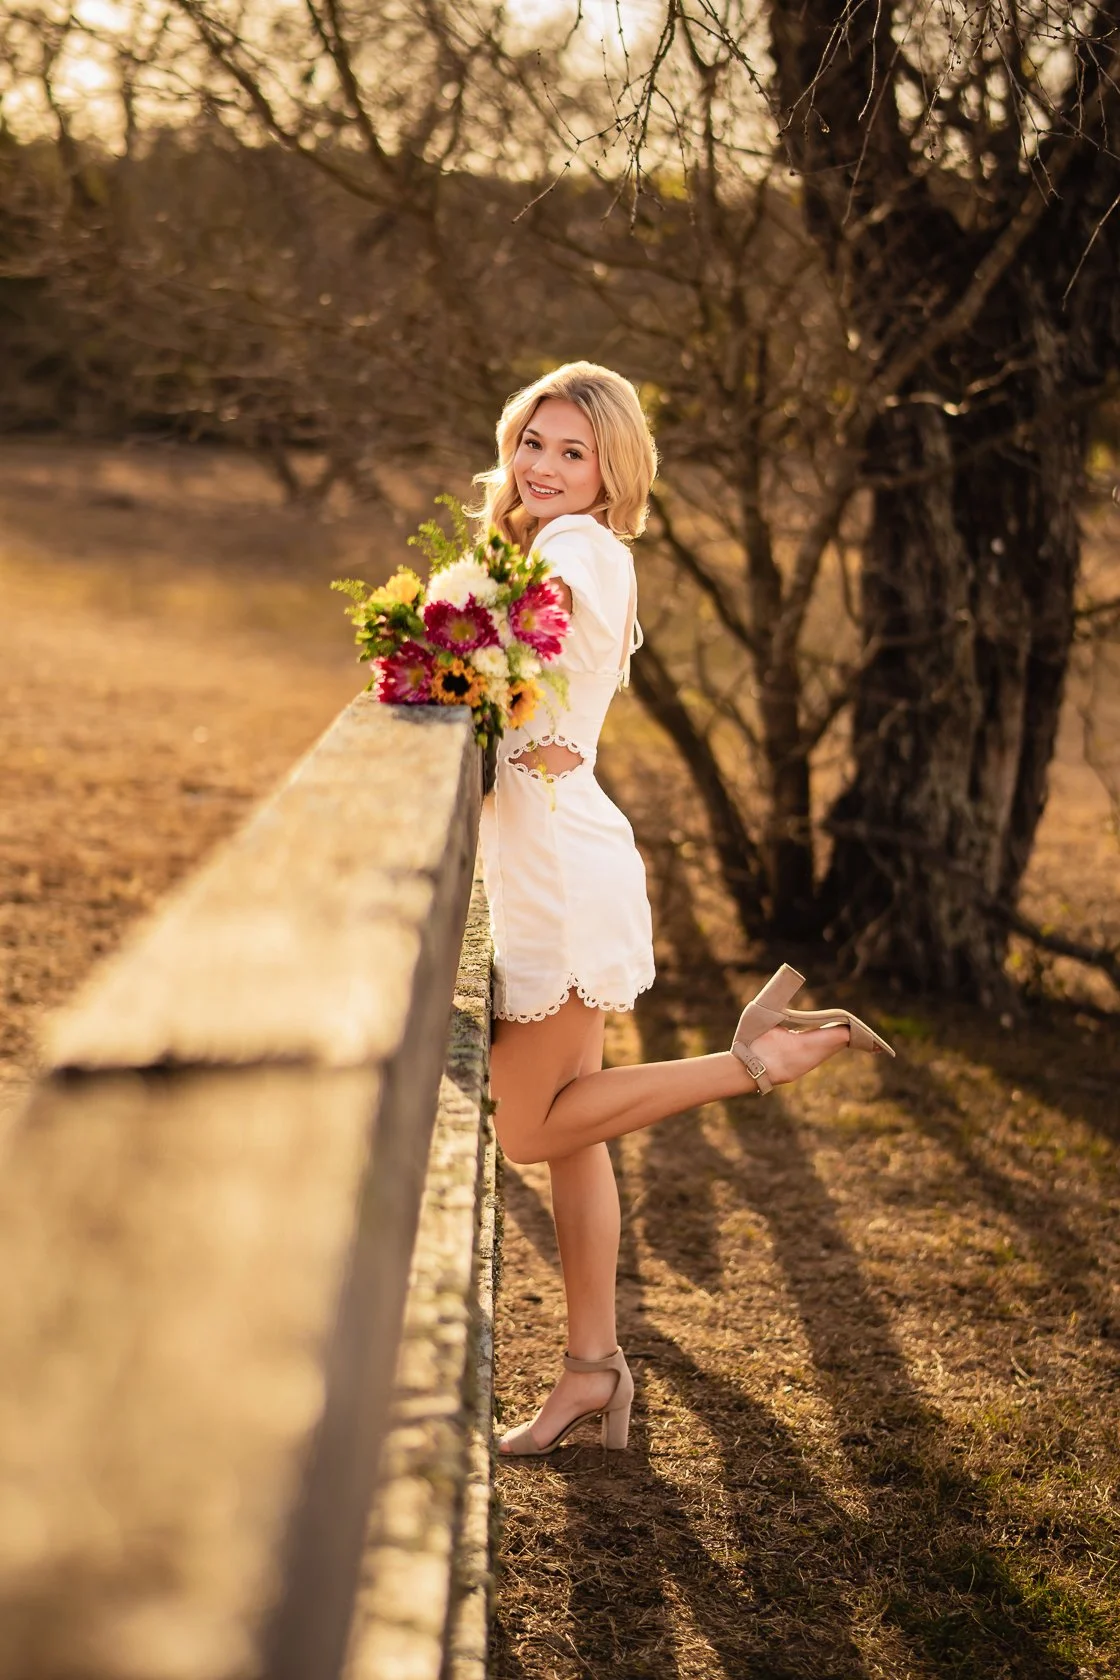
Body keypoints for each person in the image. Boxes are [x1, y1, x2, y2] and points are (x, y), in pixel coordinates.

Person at [475, 361, 894, 1458]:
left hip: (552, 868)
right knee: (576, 1137)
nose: (546, 466)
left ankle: (754, 1059)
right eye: (534, 442)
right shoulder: (555, 550)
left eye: (575, 451)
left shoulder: (575, 551)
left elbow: (528, 671)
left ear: (614, 468)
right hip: (555, 846)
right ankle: (589, 1375)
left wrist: (454, 661)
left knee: (531, 1129)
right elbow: (543, 691)